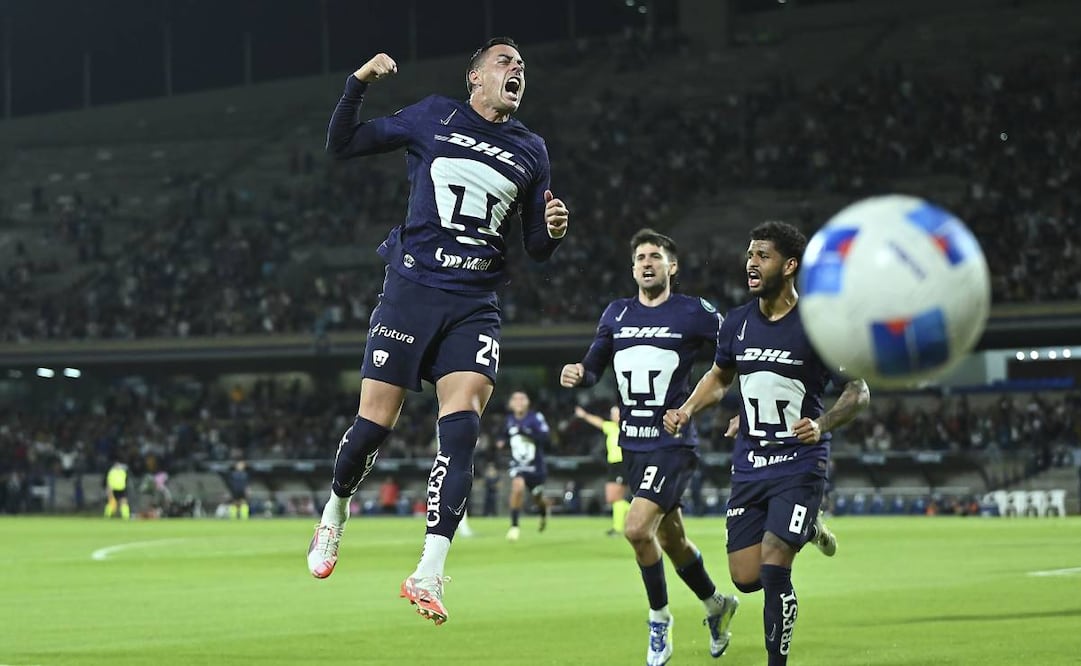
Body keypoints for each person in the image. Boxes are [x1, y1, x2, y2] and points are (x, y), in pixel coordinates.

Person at [306, 36, 570, 627]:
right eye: (505, 61)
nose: (517, 69)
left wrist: (552, 229)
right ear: (474, 77)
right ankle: (336, 510)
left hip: (474, 304)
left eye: (522, 65)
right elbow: (342, 142)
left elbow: (535, 248)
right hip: (411, 293)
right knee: (374, 426)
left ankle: (428, 570)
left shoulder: (532, 150)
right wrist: (359, 82)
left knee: (464, 430)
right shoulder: (433, 115)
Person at [663, 221, 870, 666]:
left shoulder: (817, 325)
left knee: (776, 565)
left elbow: (858, 391)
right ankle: (809, 527)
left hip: (800, 461)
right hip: (751, 463)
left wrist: (823, 422)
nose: (750, 264)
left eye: (762, 256)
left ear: (790, 265)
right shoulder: (736, 323)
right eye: (750, 255)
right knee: (745, 577)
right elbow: (720, 377)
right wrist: (687, 410)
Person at [561, 228, 739, 665]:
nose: (646, 262)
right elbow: (594, 364)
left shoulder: (694, 312)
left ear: (671, 267)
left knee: (636, 528)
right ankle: (717, 603)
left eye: (655, 256)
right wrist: (577, 374)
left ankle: (659, 620)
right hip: (633, 445)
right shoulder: (616, 313)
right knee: (672, 539)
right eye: (640, 256)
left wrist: (735, 406)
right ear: (633, 267)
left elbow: (735, 354)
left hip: (673, 441)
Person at [496, 390, 552, 540]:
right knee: (517, 486)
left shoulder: (535, 418)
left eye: (522, 398)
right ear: (511, 404)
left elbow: (546, 437)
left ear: (528, 402)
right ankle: (514, 526)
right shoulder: (508, 420)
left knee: (537, 498)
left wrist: (526, 432)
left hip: (536, 466)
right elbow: (502, 435)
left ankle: (542, 512)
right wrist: (500, 442)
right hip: (518, 465)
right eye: (516, 399)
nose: (519, 402)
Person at [574, 404, 630, 536]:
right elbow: (598, 422)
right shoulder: (611, 427)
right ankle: (636, 513)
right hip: (612, 465)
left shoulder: (627, 428)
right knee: (611, 498)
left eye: (616, 413)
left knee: (616, 497)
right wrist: (584, 415)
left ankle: (619, 527)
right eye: (612, 414)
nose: (613, 416)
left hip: (622, 464)